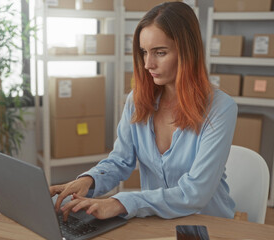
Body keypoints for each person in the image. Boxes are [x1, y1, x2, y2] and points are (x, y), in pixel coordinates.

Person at [50, 1, 237, 221]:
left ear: (187, 52)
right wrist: (88, 180)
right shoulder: (137, 101)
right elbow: (120, 161)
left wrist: (120, 203)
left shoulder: (221, 108)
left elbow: (195, 193)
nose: (148, 64)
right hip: (157, 223)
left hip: (208, 223)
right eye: (144, 52)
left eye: (160, 52)